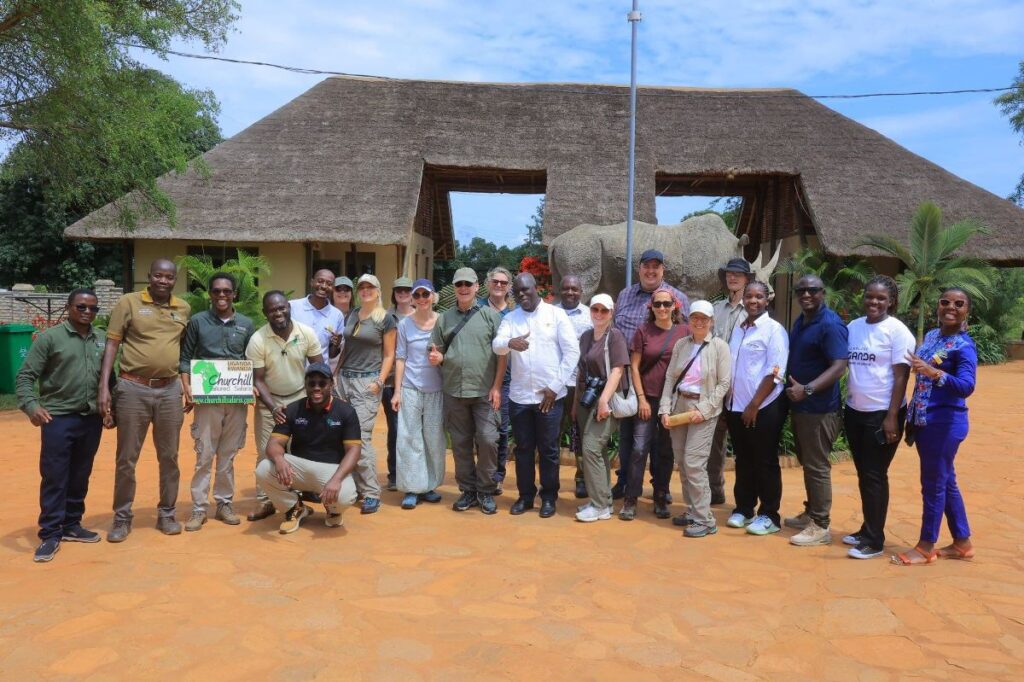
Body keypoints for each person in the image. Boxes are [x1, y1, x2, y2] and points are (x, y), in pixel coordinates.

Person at [98, 258, 190, 542]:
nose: (163, 281)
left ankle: (167, 513)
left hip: (170, 390)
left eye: (169, 277)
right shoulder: (129, 302)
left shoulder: (183, 308)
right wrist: (104, 387)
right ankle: (122, 517)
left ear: (175, 280)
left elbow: (182, 350)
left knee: (170, 457)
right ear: (149, 276)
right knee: (127, 457)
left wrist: (187, 386)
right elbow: (112, 344)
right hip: (132, 389)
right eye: (158, 275)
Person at [16, 289, 109, 562]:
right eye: (81, 307)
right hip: (58, 418)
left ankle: (71, 524)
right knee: (55, 476)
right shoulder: (50, 338)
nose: (88, 312)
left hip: (91, 419)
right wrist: (31, 406)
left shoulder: (101, 338)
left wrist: (110, 408)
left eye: (93, 308)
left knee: (80, 474)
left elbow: (108, 378)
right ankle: (50, 533)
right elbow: (25, 376)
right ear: (69, 307)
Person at [893, 288, 978, 565]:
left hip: (944, 423)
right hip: (924, 421)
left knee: (933, 485)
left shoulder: (964, 347)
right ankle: (962, 542)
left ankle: (926, 546)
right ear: (938, 306)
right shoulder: (931, 336)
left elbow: (966, 386)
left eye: (959, 303)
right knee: (946, 480)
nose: (951, 307)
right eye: (945, 302)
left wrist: (934, 372)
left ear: (967, 311)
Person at [494, 273, 580, 519]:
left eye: (526, 290)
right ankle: (525, 496)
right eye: (517, 292)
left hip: (549, 397)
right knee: (523, 449)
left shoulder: (556, 315)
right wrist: (510, 342)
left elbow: (572, 352)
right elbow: (497, 345)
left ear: (537, 288)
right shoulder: (510, 318)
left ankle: (549, 497)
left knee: (549, 449)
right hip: (520, 397)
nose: (522, 295)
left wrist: (555, 387)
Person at [843, 276, 915, 559]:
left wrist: (892, 417)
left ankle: (874, 540)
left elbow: (901, 377)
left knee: (874, 474)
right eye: (870, 296)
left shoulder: (898, 332)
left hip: (883, 414)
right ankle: (867, 529)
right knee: (864, 473)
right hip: (855, 411)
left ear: (891, 302)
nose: (874, 302)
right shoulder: (854, 327)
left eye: (881, 298)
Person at [178, 272, 255, 531]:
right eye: (216, 291)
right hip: (207, 398)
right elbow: (185, 358)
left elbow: (252, 359)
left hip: (236, 399)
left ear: (234, 294)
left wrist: (253, 383)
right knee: (204, 453)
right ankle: (199, 508)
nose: (222, 295)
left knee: (228, 454)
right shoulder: (198, 322)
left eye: (226, 291)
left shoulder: (246, 324)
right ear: (210, 294)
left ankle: (224, 504)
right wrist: (187, 386)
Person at [611, 249, 689, 498]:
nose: (651, 271)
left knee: (661, 442)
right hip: (627, 377)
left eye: (656, 266)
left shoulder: (677, 297)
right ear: (639, 269)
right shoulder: (625, 295)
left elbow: (688, 337)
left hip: (663, 383)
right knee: (628, 438)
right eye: (646, 266)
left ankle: (659, 487)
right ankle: (625, 482)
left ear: (663, 270)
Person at [429, 267, 506, 514]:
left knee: (488, 440)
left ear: (476, 287)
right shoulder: (444, 319)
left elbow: (502, 355)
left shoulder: (491, 316)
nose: (463, 288)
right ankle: (468, 490)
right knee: (461, 444)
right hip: (454, 391)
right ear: (455, 287)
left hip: (484, 392)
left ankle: (485, 490)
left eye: (468, 284)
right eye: (459, 284)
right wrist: (437, 357)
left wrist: (497, 387)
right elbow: (436, 350)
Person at [255, 363, 362, 534]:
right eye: (312, 383)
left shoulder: (346, 412)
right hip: (299, 468)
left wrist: (336, 479)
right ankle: (294, 508)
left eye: (322, 383)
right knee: (263, 469)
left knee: (346, 496)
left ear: (331, 384)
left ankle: (333, 510)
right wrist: (279, 459)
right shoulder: (292, 409)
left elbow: (354, 450)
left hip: (331, 470)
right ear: (305, 385)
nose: (316, 388)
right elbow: (274, 444)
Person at [782, 274, 849, 547]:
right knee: (808, 461)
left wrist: (807, 389)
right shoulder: (803, 320)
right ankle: (811, 512)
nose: (806, 295)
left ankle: (820, 525)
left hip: (820, 409)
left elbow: (839, 366)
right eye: (801, 291)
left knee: (817, 466)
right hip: (802, 407)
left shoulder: (830, 324)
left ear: (823, 292)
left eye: (812, 290)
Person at [246, 291, 323, 521]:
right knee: (265, 452)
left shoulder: (306, 333)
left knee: (299, 450)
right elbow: (258, 380)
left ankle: (295, 498)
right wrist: (273, 408)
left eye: (281, 308)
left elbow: (318, 369)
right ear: (265, 313)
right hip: (269, 402)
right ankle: (266, 501)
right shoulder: (258, 339)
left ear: (288, 307)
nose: (278, 313)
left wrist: (313, 401)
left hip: (300, 399)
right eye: (272, 310)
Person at [659, 300, 732, 538]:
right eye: (695, 318)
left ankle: (705, 519)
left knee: (694, 462)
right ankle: (692, 510)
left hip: (703, 408)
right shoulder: (682, 344)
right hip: (679, 405)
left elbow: (724, 383)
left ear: (712, 321)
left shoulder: (720, 347)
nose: (699, 322)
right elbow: (670, 377)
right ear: (688, 320)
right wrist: (664, 408)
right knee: (681, 460)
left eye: (704, 318)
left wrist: (705, 409)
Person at [724, 281, 789, 537]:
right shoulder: (739, 329)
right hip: (736, 407)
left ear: (767, 299)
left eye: (759, 296)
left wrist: (754, 405)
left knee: (765, 460)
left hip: (764, 407)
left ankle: (769, 515)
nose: (753, 300)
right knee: (743, 459)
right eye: (749, 296)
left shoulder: (774, 330)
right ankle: (744, 508)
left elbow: (775, 373)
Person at [621, 287, 689, 521]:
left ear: (674, 306)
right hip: (647, 399)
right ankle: (631, 498)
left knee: (665, 450)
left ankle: (660, 495)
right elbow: (634, 367)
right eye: (657, 304)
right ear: (651, 307)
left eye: (666, 304)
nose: (662, 308)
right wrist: (641, 398)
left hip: (671, 401)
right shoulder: (643, 331)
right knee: (639, 448)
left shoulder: (684, 332)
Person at [336, 274, 398, 514]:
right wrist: (336, 374)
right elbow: (346, 348)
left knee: (360, 438)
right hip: (344, 380)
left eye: (370, 286)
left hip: (367, 383)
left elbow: (389, 354)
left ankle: (371, 492)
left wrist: (380, 381)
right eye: (361, 286)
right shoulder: (352, 314)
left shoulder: (385, 319)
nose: (365, 290)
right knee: (343, 436)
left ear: (378, 290)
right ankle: (355, 487)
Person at [573, 294, 630, 522]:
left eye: (604, 310)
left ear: (611, 312)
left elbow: (618, 370)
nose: (598, 314)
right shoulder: (586, 336)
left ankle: (599, 506)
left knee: (591, 448)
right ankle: (603, 500)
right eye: (595, 309)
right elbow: (581, 370)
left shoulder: (615, 336)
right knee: (599, 451)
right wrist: (576, 404)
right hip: (587, 398)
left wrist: (604, 400)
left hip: (606, 398)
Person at [391, 279, 446, 509]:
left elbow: (450, 352)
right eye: (417, 295)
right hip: (410, 388)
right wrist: (397, 392)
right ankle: (412, 488)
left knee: (433, 439)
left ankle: (430, 485)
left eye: (426, 294)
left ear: (433, 296)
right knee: (409, 437)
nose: (422, 299)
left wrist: (441, 358)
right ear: (412, 299)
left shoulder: (443, 321)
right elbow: (400, 358)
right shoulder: (405, 324)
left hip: (437, 389)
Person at [708, 258, 754, 505]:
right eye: (729, 274)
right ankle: (714, 491)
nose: (732, 278)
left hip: (741, 389)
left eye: (738, 274)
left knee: (744, 446)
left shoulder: (754, 311)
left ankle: (745, 502)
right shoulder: (716, 309)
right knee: (714, 443)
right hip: (715, 387)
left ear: (747, 279)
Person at [557, 274, 593, 499]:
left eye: (574, 289)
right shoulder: (549, 313)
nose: (570, 292)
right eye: (566, 288)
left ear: (581, 291)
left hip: (581, 383)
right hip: (556, 384)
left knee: (581, 433)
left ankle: (582, 479)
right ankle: (550, 480)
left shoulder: (590, 315)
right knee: (551, 434)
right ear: (559, 290)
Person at [481, 266, 514, 490]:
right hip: (481, 378)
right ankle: (483, 472)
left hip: (507, 381)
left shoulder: (515, 313)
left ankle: (497, 475)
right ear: (488, 284)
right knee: (482, 431)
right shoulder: (477, 308)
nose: (499, 285)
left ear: (509, 286)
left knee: (501, 429)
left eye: (503, 282)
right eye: (495, 281)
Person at [382, 276, 415, 491]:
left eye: (407, 290)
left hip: (415, 381)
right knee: (395, 428)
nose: (403, 293)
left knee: (413, 429)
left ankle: (412, 472)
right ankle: (394, 473)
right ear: (394, 294)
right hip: (391, 381)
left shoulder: (421, 315)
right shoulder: (386, 317)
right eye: (398, 290)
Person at [289, 268, 344, 365]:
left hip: (319, 372)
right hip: (292, 370)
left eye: (329, 284)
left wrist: (336, 345)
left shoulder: (337, 315)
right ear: (312, 282)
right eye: (320, 281)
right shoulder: (292, 307)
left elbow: (332, 355)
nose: (324, 286)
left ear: (333, 288)